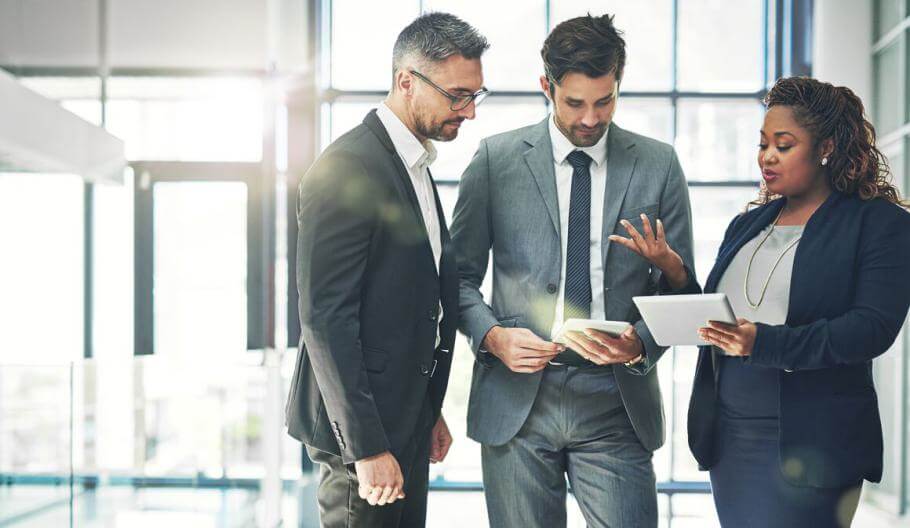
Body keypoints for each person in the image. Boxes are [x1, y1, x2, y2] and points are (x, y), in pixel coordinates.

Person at [611, 76, 910, 527]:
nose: (766, 156)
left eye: (783, 145)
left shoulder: (879, 224)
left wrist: (761, 343)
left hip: (817, 446)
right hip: (731, 440)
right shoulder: (748, 225)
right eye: (763, 143)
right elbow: (713, 323)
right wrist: (673, 269)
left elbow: (871, 330)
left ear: (825, 146)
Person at [450, 14, 698, 528]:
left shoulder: (659, 165)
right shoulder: (495, 161)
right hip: (518, 401)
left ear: (618, 86)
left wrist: (643, 343)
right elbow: (457, 278)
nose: (590, 118)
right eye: (574, 103)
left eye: (604, 101)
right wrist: (492, 336)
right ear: (547, 87)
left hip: (616, 400)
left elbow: (684, 289)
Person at [284, 13, 489, 528]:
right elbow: (325, 318)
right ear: (406, 82)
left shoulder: (414, 165)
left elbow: (410, 301)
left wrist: (426, 409)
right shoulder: (346, 168)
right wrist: (367, 446)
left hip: (404, 418)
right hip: (361, 433)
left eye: (474, 96)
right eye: (456, 95)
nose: (468, 112)